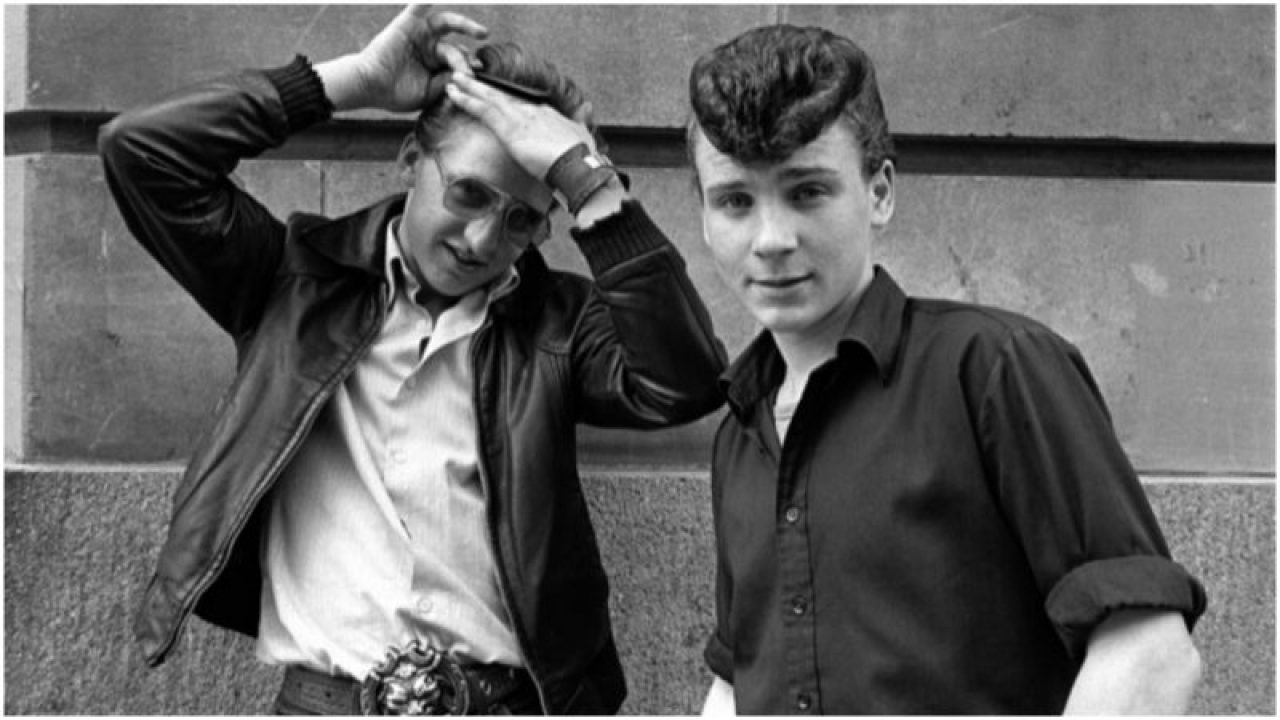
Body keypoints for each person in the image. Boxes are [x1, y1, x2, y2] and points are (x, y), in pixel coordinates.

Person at [98, 5, 726, 715]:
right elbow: (139, 151)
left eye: (521, 219)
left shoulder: (560, 323)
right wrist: (349, 82)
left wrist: (591, 183)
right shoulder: (293, 283)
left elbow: (685, 383)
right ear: (409, 161)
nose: (481, 239)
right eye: (468, 193)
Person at [686, 24, 1207, 715]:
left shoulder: (995, 370)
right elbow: (737, 684)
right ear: (704, 216)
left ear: (879, 192)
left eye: (807, 191)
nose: (772, 239)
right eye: (735, 201)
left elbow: (1149, 652)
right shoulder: (739, 432)